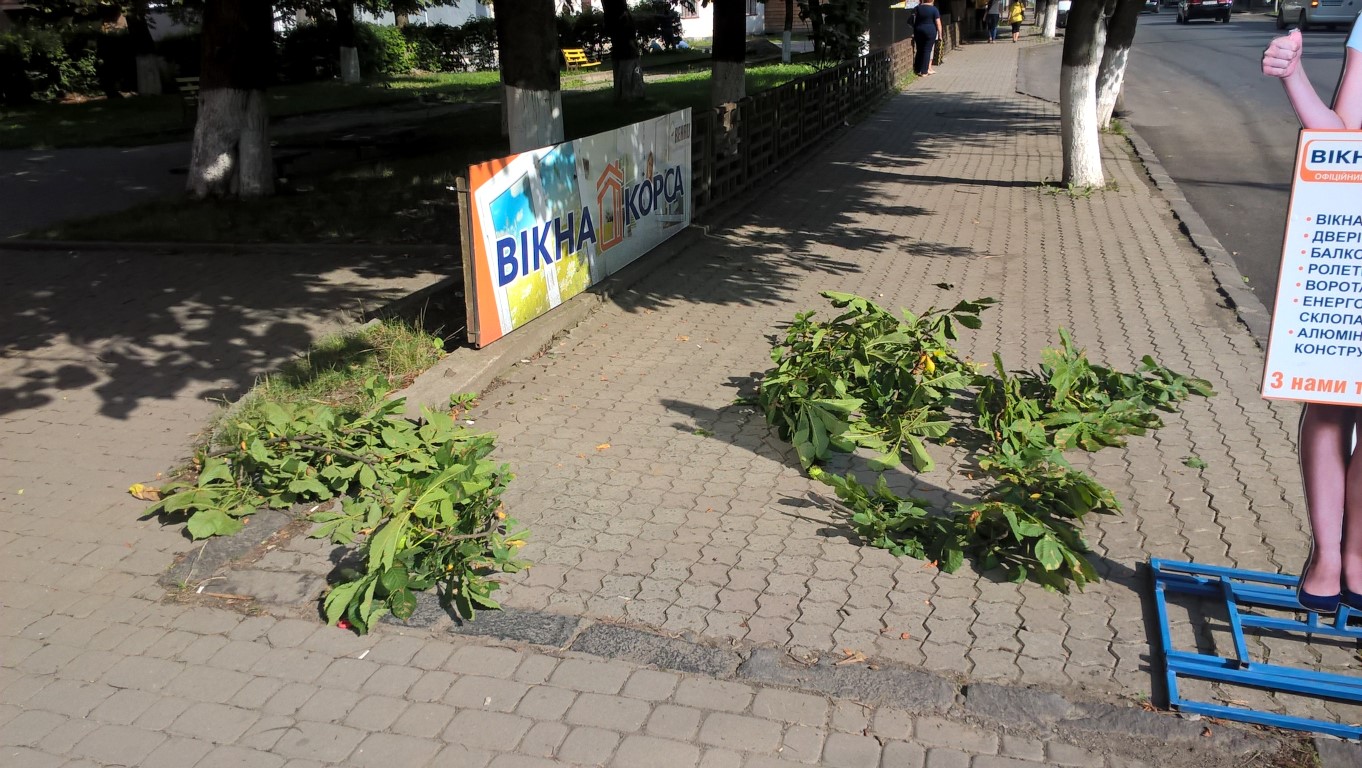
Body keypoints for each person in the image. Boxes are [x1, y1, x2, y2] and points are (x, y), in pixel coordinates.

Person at [1262, 21, 1362, 612]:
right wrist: (1292, 75)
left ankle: (1357, 554)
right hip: (1349, 233)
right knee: (1331, 402)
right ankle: (1328, 555)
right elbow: (1343, 133)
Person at [913, 0, 944, 76]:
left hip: (918, 30)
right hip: (930, 31)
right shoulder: (934, 9)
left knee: (919, 49)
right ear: (932, 0)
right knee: (927, 50)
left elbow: (913, 20)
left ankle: (917, 69)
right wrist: (940, 35)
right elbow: (938, 23)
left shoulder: (917, 8)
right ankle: (924, 71)